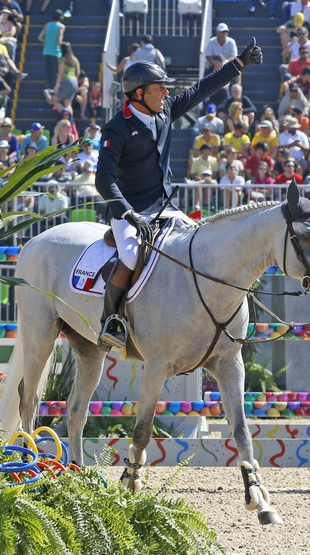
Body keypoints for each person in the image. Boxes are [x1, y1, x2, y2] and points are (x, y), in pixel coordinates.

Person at [94, 40, 262, 350]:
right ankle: (112, 320)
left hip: (165, 208)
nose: (166, 93)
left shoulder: (165, 111)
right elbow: (103, 180)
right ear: (139, 93)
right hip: (131, 210)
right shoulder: (116, 129)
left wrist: (237, 65)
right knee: (131, 255)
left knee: (200, 244)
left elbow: (201, 89)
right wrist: (128, 214)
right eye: (159, 88)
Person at [37, 9, 64, 97]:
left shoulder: (47, 25)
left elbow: (40, 38)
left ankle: (48, 87)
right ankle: (54, 89)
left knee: (48, 71)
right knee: (56, 71)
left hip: (46, 51)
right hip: (56, 52)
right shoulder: (61, 26)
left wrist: (48, 42)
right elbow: (59, 40)